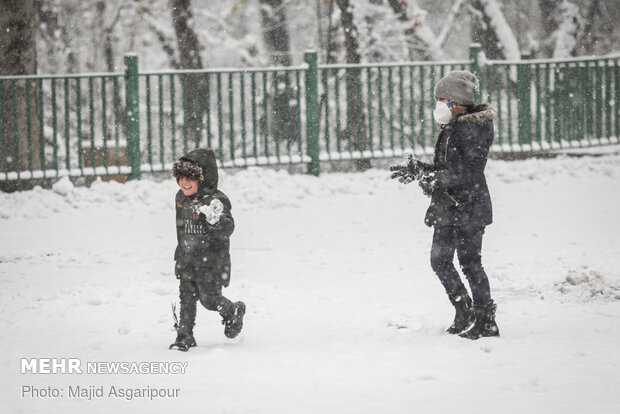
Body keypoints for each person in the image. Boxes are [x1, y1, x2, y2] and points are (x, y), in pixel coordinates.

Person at [390, 70, 499, 340]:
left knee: (470, 262)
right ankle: (464, 310)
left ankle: (486, 320)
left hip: (470, 207)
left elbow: (469, 171)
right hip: (449, 208)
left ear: (456, 102)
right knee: (439, 260)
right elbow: (447, 169)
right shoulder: (452, 127)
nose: (437, 105)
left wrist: (433, 177)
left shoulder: (471, 127)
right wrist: (421, 170)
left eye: (441, 100)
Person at [169, 148, 245, 351]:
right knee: (186, 298)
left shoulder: (215, 201)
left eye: (190, 178)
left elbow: (227, 229)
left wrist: (214, 220)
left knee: (209, 300)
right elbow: (181, 228)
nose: (184, 183)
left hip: (211, 261)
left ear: (203, 178)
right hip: (187, 258)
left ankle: (233, 311)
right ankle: (185, 335)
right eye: (181, 177)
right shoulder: (181, 197)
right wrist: (181, 252)